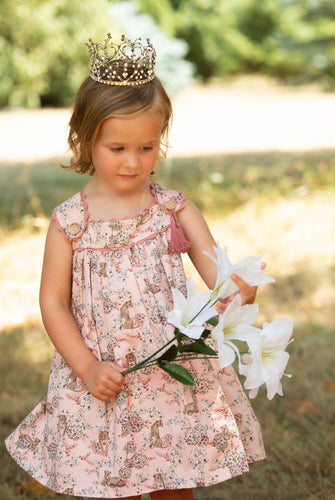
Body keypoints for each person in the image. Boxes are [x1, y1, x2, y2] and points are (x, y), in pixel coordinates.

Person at [5, 34, 266, 500]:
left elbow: (217, 276)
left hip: (170, 369)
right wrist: (85, 365)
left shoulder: (173, 209)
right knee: (115, 480)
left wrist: (238, 290)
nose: (133, 161)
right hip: (106, 375)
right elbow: (52, 302)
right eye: (117, 148)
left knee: (173, 479)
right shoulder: (70, 223)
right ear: (86, 139)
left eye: (147, 148)